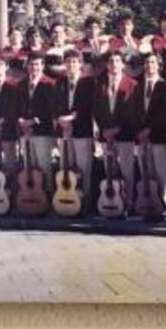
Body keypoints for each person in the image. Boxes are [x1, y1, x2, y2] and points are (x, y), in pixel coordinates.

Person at [93, 50, 138, 213]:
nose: (114, 64)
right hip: (107, 136)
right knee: (110, 171)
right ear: (107, 65)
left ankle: (129, 204)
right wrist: (104, 130)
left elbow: (133, 110)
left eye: (117, 61)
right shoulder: (100, 84)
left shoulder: (132, 84)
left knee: (127, 170)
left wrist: (118, 128)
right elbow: (96, 109)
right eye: (111, 61)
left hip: (125, 134)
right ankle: (113, 203)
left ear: (123, 65)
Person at [54, 49, 96, 213]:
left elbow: (89, 106)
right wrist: (60, 119)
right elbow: (54, 104)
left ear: (80, 64)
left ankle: (85, 202)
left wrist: (72, 119)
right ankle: (66, 200)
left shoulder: (88, 83)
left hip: (82, 130)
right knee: (65, 166)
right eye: (68, 62)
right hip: (63, 130)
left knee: (83, 167)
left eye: (74, 62)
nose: (71, 65)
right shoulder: (59, 82)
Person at [133, 52, 166, 215]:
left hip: (159, 135)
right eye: (147, 63)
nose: (149, 66)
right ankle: (149, 204)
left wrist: (149, 130)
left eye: (152, 63)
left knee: (160, 172)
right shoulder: (137, 86)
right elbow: (134, 111)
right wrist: (140, 131)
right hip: (141, 137)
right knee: (146, 172)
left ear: (158, 66)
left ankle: (162, 208)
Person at [16, 51, 57, 195]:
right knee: (29, 165)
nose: (34, 67)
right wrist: (21, 121)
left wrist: (33, 121)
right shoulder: (20, 84)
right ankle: (32, 196)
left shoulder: (50, 84)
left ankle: (48, 196)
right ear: (27, 66)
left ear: (43, 66)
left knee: (44, 165)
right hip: (24, 131)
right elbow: (17, 106)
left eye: (38, 64)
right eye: (32, 64)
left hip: (42, 131)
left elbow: (51, 108)